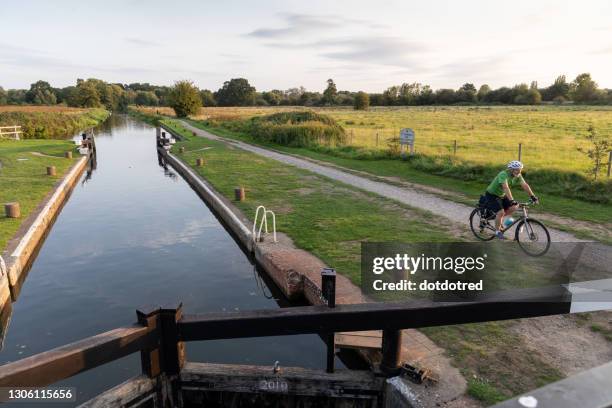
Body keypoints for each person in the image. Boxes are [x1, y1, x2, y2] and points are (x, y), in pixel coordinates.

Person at [483, 161, 538, 239]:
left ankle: (498, 219)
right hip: (492, 194)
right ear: (511, 170)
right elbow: (506, 188)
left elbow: (525, 185)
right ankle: (497, 231)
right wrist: (511, 200)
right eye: (517, 170)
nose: (519, 171)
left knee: (514, 207)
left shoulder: (518, 175)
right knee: (501, 212)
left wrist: (533, 196)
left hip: (502, 195)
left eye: (520, 169)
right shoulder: (503, 174)